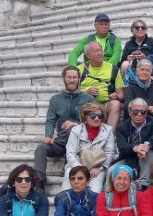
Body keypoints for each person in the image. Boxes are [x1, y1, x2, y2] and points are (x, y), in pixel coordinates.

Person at [34, 65, 95, 193]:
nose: (72, 80)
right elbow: (50, 120)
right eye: (69, 77)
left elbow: (95, 121)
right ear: (64, 79)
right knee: (41, 148)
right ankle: (39, 182)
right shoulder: (55, 99)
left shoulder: (88, 99)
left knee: (71, 129)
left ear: (79, 79)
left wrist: (76, 124)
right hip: (61, 142)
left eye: (74, 77)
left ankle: (69, 163)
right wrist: (48, 135)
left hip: (82, 142)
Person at [62, 102, 117, 193]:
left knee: (94, 191)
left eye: (100, 116)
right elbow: (70, 153)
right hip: (77, 164)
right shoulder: (76, 130)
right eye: (93, 116)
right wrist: (80, 169)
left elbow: (110, 152)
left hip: (97, 167)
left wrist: (100, 168)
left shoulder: (108, 130)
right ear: (85, 116)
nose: (97, 118)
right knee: (67, 188)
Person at [112, 98, 153, 190]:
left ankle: (143, 184)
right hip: (128, 157)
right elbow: (122, 147)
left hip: (148, 156)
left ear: (147, 113)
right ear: (129, 112)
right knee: (110, 171)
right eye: (135, 112)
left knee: (147, 153)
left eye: (143, 112)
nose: (139, 115)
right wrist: (135, 148)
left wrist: (146, 146)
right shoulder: (122, 126)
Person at [76, 41, 124, 128]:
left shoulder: (113, 68)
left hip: (104, 104)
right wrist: (86, 92)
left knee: (116, 104)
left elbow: (121, 94)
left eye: (101, 50)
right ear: (88, 55)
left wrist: (116, 96)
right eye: (95, 51)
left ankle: (108, 136)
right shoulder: (79, 70)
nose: (100, 53)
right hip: (85, 105)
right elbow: (72, 93)